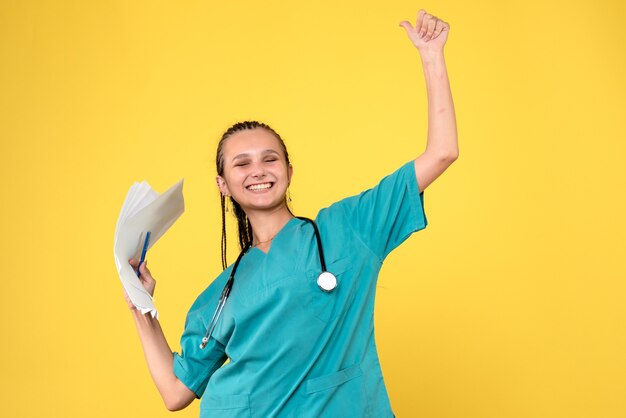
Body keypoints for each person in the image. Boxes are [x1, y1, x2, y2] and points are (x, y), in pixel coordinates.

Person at [125, 9, 457, 417]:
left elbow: (442, 153)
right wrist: (142, 304)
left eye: (270, 159)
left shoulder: (350, 229)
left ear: (288, 170)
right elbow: (177, 392)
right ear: (223, 185)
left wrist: (431, 56)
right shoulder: (222, 292)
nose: (258, 171)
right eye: (241, 164)